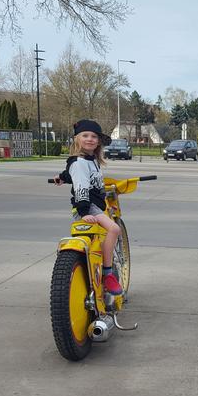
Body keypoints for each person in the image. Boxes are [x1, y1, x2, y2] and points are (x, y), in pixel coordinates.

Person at [53, 119, 123, 296]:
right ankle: (108, 275)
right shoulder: (79, 162)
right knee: (114, 229)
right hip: (88, 206)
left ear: (99, 141)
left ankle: (98, 266)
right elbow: (81, 187)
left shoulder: (90, 160)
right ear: (77, 139)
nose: (90, 139)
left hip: (95, 205)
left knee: (99, 239)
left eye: (94, 136)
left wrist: (62, 177)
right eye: (85, 135)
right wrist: (84, 212)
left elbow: (74, 174)